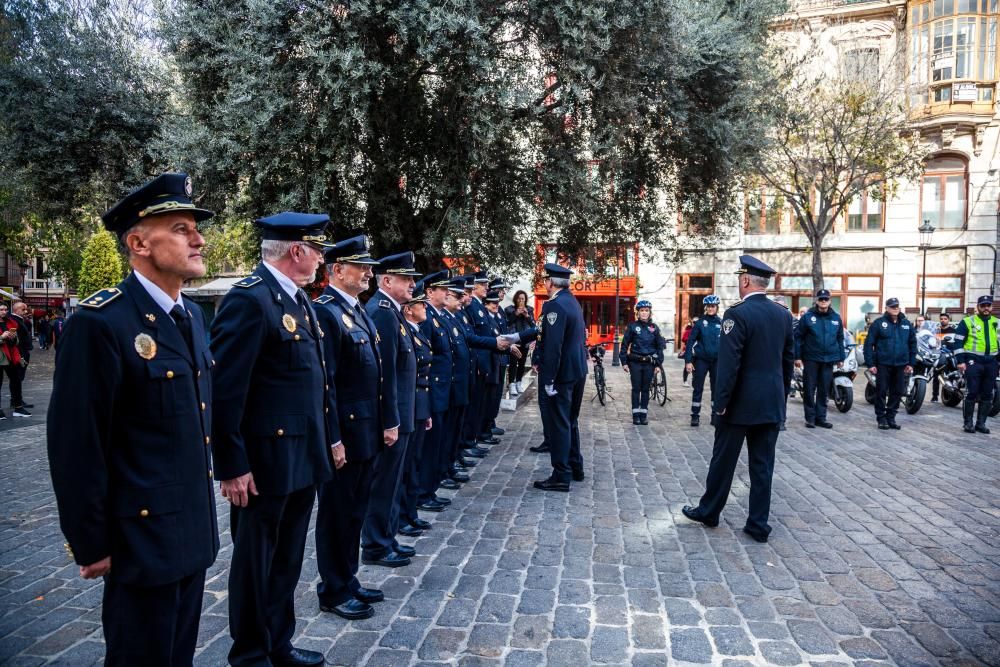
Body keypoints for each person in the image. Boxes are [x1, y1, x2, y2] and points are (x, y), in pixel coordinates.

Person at [46, 172, 219, 665]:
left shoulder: (191, 318)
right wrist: (90, 542)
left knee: (178, 653)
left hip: (190, 529)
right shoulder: (101, 323)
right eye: (182, 228)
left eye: (195, 227)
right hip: (139, 540)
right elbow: (77, 445)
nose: (199, 238)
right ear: (139, 242)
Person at [211, 211, 333, 667]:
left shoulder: (298, 300)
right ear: (297, 251)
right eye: (317, 249)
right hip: (262, 464)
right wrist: (231, 464)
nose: (323, 257)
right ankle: (250, 654)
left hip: (301, 456)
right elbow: (225, 391)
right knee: (255, 564)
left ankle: (278, 643)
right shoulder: (251, 299)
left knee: (286, 561)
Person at [682, 255, 794, 543]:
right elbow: (787, 362)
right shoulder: (783, 315)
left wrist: (720, 403)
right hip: (770, 403)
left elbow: (729, 366)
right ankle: (758, 524)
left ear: (745, 280)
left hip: (739, 405)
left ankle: (709, 511)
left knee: (723, 461)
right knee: (762, 466)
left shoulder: (736, 314)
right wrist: (780, 399)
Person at [312, 236, 386, 621]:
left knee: (355, 511)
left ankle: (349, 577)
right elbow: (328, 383)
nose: (368, 272)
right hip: (346, 433)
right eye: (361, 266)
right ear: (337, 270)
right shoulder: (325, 311)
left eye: (370, 266)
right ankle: (333, 589)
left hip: (366, 432)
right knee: (337, 514)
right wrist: (333, 438)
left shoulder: (357, 310)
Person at [361, 252, 421, 569]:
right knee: (384, 482)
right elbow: (384, 374)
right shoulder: (382, 313)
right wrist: (391, 420)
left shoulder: (392, 312)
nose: (413, 284)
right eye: (406, 278)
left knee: (393, 481)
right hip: (393, 416)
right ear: (386, 280)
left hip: (403, 413)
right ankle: (376, 543)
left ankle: (387, 536)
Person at [532, 263, 587, 492]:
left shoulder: (554, 306)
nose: (544, 284)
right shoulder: (571, 301)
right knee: (570, 421)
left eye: (545, 280)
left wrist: (549, 379)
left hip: (562, 375)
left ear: (551, 282)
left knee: (559, 424)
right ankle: (575, 466)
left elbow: (554, 346)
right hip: (577, 371)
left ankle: (560, 474)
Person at [399, 279, 434, 535]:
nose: (425, 307)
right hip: (410, 405)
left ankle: (411, 513)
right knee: (406, 464)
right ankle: (402, 516)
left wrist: (427, 411)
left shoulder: (417, 331)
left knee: (416, 462)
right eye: (420, 304)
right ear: (409, 309)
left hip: (421, 405)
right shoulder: (406, 330)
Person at [794, 289, 846, 429]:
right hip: (811, 358)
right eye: (821, 299)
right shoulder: (808, 317)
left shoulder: (836, 318)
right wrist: (797, 356)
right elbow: (798, 337)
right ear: (817, 301)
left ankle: (821, 418)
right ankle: (810, 418)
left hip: (828, 359)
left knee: (824, 390)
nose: (823, 302)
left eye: (826, 299)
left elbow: (840, 338)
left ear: (829, 301)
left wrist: (841, 357)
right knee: (810, 389)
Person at [863, 297, 916, 431]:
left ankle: (891, 417)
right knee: (881, 392)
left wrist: (911, 362)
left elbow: (912, 344)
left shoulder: (906, 324)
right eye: (892, 306)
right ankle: (881, 419)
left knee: (897, 392)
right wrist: (870, 364)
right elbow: (869, 344)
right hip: (883, 364)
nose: (895, 308)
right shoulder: (878, 323)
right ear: (886, 308)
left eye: (897, 306)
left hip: (901, 364)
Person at [950, 295, 998, 434]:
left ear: (991, 307)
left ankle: (981, 423)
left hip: (991, 362)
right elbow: (958, 343)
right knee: (972, 392)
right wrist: (960, 361)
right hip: (973, 361)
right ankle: (968, 423)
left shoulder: (997, 322)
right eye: (983, 305)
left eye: (988, 305)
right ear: (978, 307)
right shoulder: (967, 322)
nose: (986, 308)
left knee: (988, 394)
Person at [619, 299, 666, 425]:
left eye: (646, 311)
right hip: (635, 362)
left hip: (649, 363)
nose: (644, 313)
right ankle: (636, 415)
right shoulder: (633, 327)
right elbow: (624, 345)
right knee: (636, 388)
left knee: (645, 389)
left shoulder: (654, 328)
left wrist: (658, 364)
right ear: (637, 313)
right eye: (642, 311)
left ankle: (643, 414)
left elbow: (660, 347)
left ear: (650, 313)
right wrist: (624, 361)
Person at [684, 295, 722, 428]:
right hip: (701, 361)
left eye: (713, 306)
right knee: (698, 388)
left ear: (717, 307)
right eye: (709, 306)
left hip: (717, 361)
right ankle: (695, 416)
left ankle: (715, 415)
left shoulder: (721, 322)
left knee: (716, 389)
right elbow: (690, 342)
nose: (711, 308)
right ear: (705, 307)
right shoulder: (700, 323)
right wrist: (688, 361)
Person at [0, 303, 29, 418]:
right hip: (1, 356)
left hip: (11, 356)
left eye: (5, 309)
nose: (4, 311)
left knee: (16, 381)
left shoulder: (10, 322)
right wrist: (2, 337)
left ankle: (18, 407)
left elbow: (16, 342)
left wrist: (13, 337)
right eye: (1, 309)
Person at [505, 290, 533, 395]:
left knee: (522, 363)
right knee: (513, 362)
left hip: (524, 340)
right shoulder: (509, 310)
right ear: (516, 299)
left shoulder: (529, 310)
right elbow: (507, 323)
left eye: (523, 299)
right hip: (514, 340)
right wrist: (516, 314)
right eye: (519, 299)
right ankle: (511, 383)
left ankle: (518, 382)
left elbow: (533, 325)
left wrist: (526, 315)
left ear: (525, 300)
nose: (521, 301)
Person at [932, 312, 956, 402]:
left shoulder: (954, 331)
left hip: (950, 356)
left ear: (949, 320)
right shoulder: (936, 330)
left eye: (945, 319)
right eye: (941, 319)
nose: (943, 320)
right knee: (936, 375)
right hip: (938, 355)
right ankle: (934, 396)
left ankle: (948, 395)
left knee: (949, 376)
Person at [680, 318, 694, 387]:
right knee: (687, 366)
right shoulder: (688, 331)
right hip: (688, 351)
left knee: (696, 366)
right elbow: (683, 340)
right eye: (694, 322)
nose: (695, 323)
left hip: (697, 352)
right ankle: (685, 380)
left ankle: (694, 379)